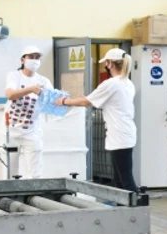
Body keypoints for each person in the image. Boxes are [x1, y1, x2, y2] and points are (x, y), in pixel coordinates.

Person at [57, 48, 139, 194]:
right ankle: (123, 206)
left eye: (106, 63)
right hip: (124, 132)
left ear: (110, 64)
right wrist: (88, 99)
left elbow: (86, 102)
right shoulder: (127, 83)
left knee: (125, 180)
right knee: (119, 179)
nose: (106, 66)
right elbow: (107, 102)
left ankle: (138, 204)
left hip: (119, 134)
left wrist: (64, 101)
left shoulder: (111, 84)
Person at [4, 46, 52, 179]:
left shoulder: (44, 81)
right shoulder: (14, 76)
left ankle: (34, 192)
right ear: (22, 60)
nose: (34, 60)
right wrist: (30, 89)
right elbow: (10, 95)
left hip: (32, 130)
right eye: (31, 57)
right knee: (11, 171)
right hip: (11, 130)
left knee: (35, 172)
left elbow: (52, 100)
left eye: (37, 57)